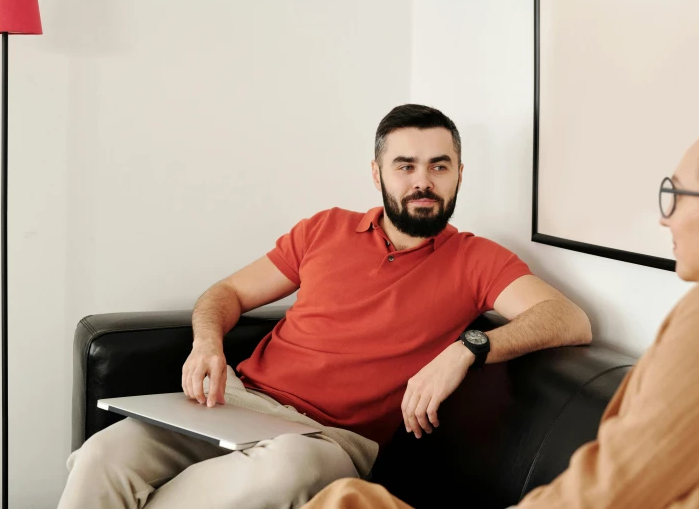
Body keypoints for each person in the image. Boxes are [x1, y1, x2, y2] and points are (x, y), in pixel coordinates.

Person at [57, 104, 592, 509]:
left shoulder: (477, 259)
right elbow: (228, 293)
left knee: (282, 471)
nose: (422, 181)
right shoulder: (325, 229)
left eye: (439, 165)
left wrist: (467, 349)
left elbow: (569, 319)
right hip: (235, 400)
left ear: (458, 175)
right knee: (101, 457)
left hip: (326, 439)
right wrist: (206, 344)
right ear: (377, 174)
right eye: (405, 166)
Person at [301, 86, 699, 509]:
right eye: (405, 165)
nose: (664, 219)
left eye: (676, 194)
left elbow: (614, 485)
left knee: (342, 499)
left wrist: (469, 347)